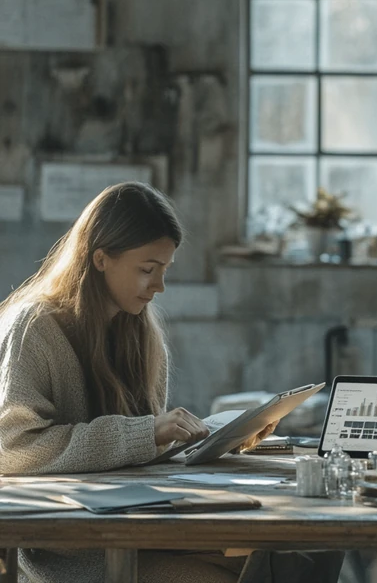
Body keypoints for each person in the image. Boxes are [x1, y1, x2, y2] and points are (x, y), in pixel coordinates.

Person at [0, 182, 340, 583]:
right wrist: (147, 432)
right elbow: (12, 449)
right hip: (71, 545)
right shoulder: (35, 327)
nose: (159, 286)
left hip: (142, 521)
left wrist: (223, 436)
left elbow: (142, 450)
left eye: (164, 270)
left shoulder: (141, 333)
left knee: (305, 552)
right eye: (147, 269)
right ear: (100, 258)